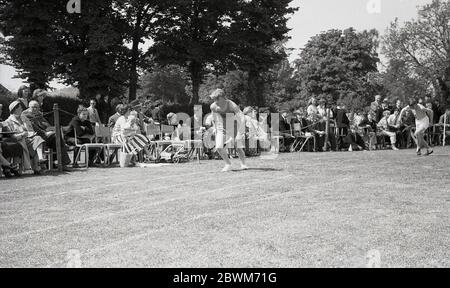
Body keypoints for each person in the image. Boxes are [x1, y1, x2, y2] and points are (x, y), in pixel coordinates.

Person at [22, 100, 71, 168]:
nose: (35, 109)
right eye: (33, 107)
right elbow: (32, 128)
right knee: (57, 138)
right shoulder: (25, 115)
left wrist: (53, 130)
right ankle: (61, 163)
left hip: (45, 136)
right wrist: (45, 133)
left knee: (57, 136)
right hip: (35, 137)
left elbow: (46, 124)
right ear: (28, 107)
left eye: (37, 107)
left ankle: (62, 164)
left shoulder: (38, 114)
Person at [209, 88, 248, 172]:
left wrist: (240, 132)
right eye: (214, 99)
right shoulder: (213, 106)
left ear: (223, 97)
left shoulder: (231, 104)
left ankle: (243, 164)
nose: (215, 101)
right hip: (221, 127)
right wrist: (215, 128)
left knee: (238, 147)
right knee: (219, 147)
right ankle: (228, 164)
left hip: (233, 126)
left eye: (217, 99)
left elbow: (241, 117)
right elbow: (213, 117)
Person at [3, 100, 42, 174]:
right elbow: (11, 136)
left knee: (37, 138)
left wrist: (30, 133)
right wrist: (22, 135)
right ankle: (36, 168)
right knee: (30, 144)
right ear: (15, 109)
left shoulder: (24, 118)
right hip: (19, 140)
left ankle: (40, 159)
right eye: (20, 108)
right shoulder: (8, 121)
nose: (22, 109)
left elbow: (30, 129)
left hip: (28, 138)